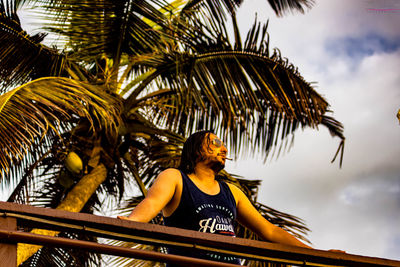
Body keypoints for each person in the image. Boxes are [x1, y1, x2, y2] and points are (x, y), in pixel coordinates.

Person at [118, 130, 313, 265]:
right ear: (196, 150)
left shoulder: (232, 191)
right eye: (216, 143)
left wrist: (314, 254)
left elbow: (269, 230)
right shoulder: (175, 178)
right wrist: (132, 221)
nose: (224, 149)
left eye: (224, 146)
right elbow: (152, 202)